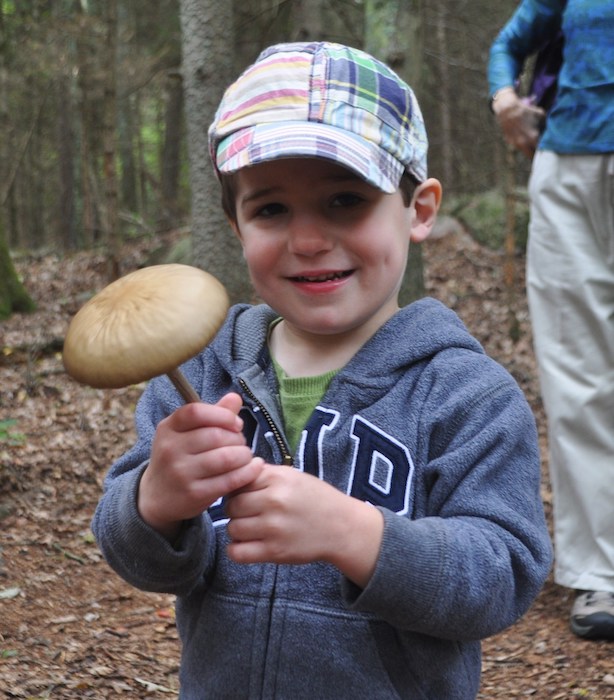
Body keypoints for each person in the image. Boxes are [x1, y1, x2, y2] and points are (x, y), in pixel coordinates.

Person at [92, 41, 552, 698]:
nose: (308, 240)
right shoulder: (201, 374)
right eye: (271, 209)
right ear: (236, 225)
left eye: (344, 200)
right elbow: (138, 558)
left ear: (420, 210)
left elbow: (504, 575)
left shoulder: (466, 395)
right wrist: (154, 504)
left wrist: (356, 535)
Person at [488, 1, 614, 640]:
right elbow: (508, 45)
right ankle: (600, 572)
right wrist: (505, 101)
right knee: (581, 377)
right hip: (569, 170)